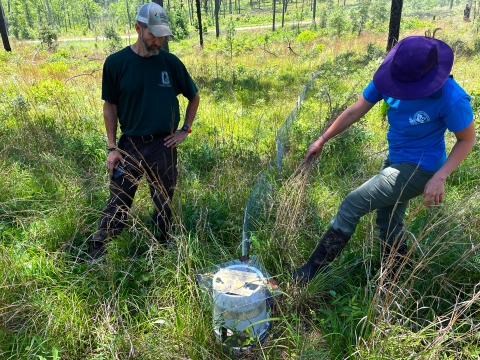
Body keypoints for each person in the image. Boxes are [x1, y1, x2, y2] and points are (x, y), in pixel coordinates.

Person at [293, 36, 475, 282]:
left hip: (421, 168)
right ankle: (396, 274)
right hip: (395, 159)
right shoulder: (391, 78)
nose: (404, 92)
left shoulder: (451, 98)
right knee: (388, 220)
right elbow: (355, 110)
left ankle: (312, 271)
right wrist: (322, 139)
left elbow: (467, 140)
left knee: (352, 204)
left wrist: (440, 176)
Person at [88, 2, 200, 259]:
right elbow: (110, 106)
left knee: (164, 202)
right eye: (153, 34)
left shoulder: (171, 63)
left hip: (164, 146)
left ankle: (161, 251)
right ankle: (97, 251)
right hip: (130, 146)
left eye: (162, 35)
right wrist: (112, 147)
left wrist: (185, 129)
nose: (158, 41)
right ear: (138, 28)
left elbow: (194, 96)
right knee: (118, 202)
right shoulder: (116, 63)